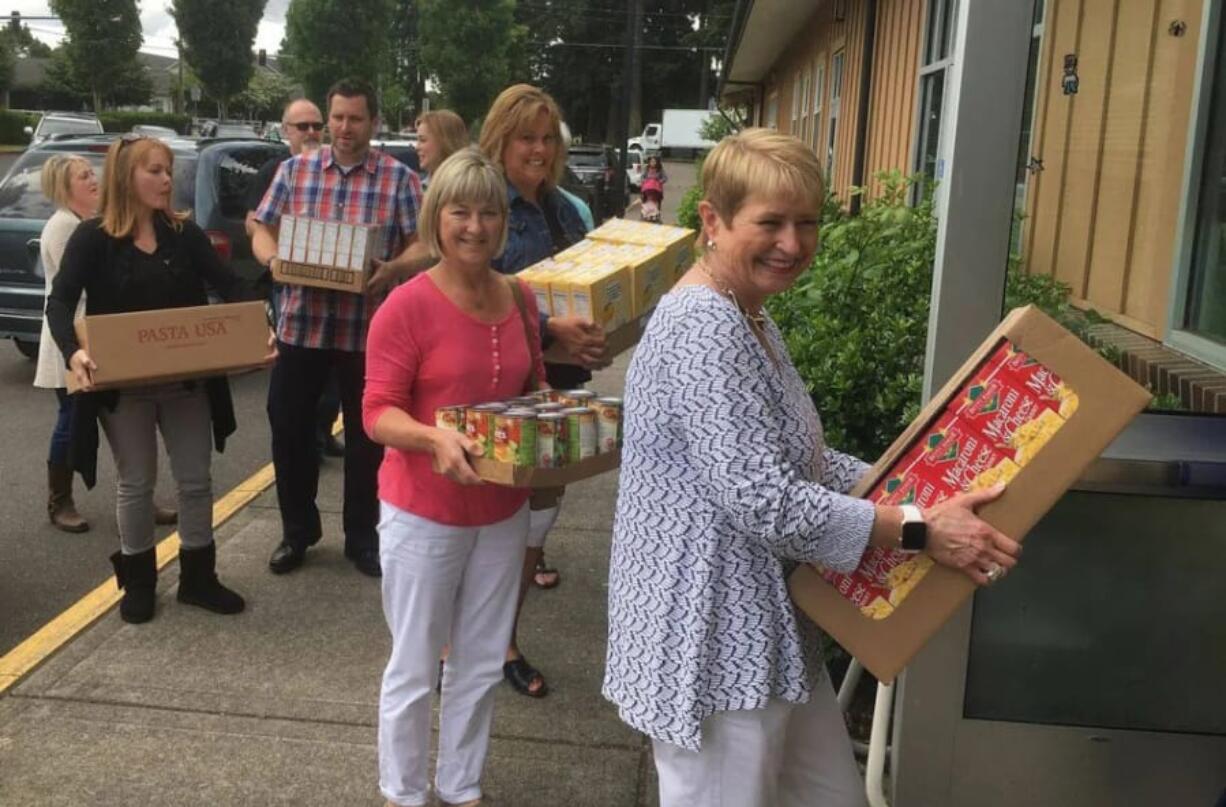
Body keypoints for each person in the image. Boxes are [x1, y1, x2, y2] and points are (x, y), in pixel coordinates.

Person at [603, 128, 1023, 807]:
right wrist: (919, 527)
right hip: (711, 644)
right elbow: (765, 501)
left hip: (766, 639)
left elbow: (805, 459)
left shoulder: (749, 316)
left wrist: (922, 489)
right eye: (769, 222)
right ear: (712, 219)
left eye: (807, 223)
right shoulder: (703, 325)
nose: (792, 244)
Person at [364, 148, 543, 807]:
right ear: (435, 219)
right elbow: (376, 410)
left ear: (504, 221)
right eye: (460, 211)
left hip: (503, 511)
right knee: (415, 665)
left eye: (489, 211)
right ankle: (405, 792)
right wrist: (431, 435)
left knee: (480, 660)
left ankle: (461, 786)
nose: (475, 226)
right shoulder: (405, 307)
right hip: (423, 510)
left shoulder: (520, 297)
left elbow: (524, 377)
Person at [45, 135, 267, 624]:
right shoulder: (93, 237)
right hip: (123, 387)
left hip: (185, 382)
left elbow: (228, 284)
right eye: (155, 171)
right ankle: (140, 582)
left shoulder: (183, 234)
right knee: (136, 483)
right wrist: (74, 351)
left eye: (168, 170)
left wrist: (260, 323)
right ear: (127, 176)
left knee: (195, 479)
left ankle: (198, 578)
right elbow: (60, 303)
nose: (167, 180)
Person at [251, 78, 423, 579]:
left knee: (368, 440)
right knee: (290, 432)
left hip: (367, 333)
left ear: (374, 122)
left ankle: (363, 539)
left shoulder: (398, 178)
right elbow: (261, 226)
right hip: (301, 328)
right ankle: (297, 533)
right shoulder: (294, 171)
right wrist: (274, 260)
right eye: (338, 117)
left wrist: (392, 269)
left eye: (356, 118)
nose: (345, 128)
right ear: (329, 119)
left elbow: (423, 244)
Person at [478, 83, 607, 698]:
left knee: (536, 521)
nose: (537, 148)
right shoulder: (479, 204)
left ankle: (502, 639)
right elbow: (466, 290)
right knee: (481, 520)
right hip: (488, 385)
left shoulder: (571, 213)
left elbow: (598, 291)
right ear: (500, 139)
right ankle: (458, 642)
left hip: (553, 391)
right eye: (525, 136)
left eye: (547, 137)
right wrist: (550, 326)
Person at [243, 99, 345, 461]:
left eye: (317, 125)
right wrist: (278, 256)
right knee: (295, 375)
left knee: (334, 377)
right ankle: (303, 443)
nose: (312, 132)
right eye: (302, 126)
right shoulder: (277, 171)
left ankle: (323, 432)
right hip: (291, 288)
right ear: (285, 131)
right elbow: (255, 223)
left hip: (340, 291)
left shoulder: (336, 171)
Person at [413, 109, 468, 190]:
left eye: (423, 140)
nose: (417, 147)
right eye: (417, 140)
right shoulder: (418, 188)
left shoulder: (469, 188)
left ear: (445, 142)